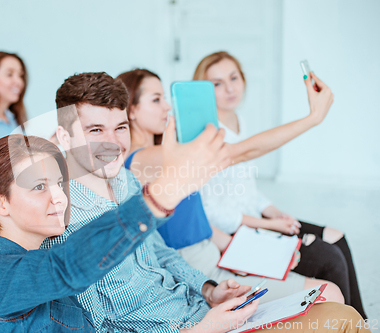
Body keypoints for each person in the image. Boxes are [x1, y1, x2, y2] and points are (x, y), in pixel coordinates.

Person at [41, 72, 348, 332]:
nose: (112, 141)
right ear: (64, 137)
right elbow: (104, 321)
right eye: (95, 130)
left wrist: (209, 289)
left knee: (338, 308)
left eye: (119, 128)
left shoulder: (126, 182)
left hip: (197, 303)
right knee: (336, 310)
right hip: (193, 323)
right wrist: (313, 118)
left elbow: (161, 252)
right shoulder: (62, 216)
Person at [0, 128, 244, 332]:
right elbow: (66, 266)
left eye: (60, 183)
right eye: (39, 187)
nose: (59, 196)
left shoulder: (51, 248)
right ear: (0, 203)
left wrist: (206, 302)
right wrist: (165, 192)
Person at [118, 68, 342, 304]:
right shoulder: (142, 159)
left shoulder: (163, 156)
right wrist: (312, 118)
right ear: (131, 110)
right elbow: (243, 151)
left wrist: (247, 252)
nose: (167, 107)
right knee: (329, 291)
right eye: (156, 100)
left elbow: (194, 221)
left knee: (324, 266)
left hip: (214, 255)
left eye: (165, 98)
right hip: (200, 273)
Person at [193, 51, 366, 318]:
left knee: (336, 236)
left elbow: (248, 190)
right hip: (238, 231)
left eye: (234, 78)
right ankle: (344, 321)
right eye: (217, 83)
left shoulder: (240, 122)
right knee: (329, 258)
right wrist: (270, 224)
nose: (229, 88)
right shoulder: (205, 136)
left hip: (257, 219)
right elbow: (214, 214)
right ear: (202, 91)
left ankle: (360, 322)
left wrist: (273, 210)